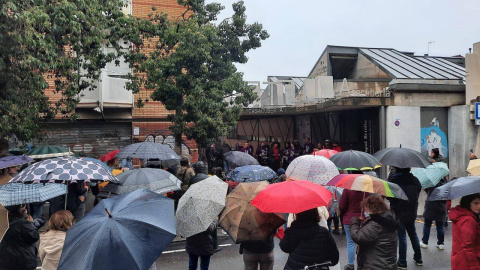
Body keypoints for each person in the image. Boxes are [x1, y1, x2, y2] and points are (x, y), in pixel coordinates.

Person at [350, 195, 399, 270]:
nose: (365, 211)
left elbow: (357, 237)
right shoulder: (387, 218)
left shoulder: (376, 225)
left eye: (366, 209)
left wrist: (355, 221)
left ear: (373, 208)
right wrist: (366, 222)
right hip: (387, 263)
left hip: (376, 265)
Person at [387, 167, 423, 269]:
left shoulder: (394, 180)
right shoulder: (415, 180)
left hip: (398, 212)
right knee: (413, 234)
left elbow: (389, 196)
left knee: (402, 237)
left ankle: (402, 261)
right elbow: (418, 192)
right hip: (411, 211)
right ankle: (418, 258)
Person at [0, 205, 39, 270]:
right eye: (23, 210)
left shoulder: (3, 222)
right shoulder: (23, 224)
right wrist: (31, 224)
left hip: (5, 260)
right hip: (23, 259)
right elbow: (34, 236)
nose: (26, 211)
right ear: (18, 211)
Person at [449, 193, 480, 270]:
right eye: (476, 203)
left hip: (458, 258)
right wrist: (475, 266)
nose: (479, 206)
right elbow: (468, 246)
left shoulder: (460, 215)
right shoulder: (469, 220)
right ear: (468, 203)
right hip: (467, 262)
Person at [339, 189, 368, 270]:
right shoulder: (366, 190)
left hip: (349, 219)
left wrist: (342, 213)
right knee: (362, 242)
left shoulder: (347, 190)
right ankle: (363, 263)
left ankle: (351, 265)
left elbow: (342, 206)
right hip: (363, 219)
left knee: (350, 242)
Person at [420, 178, 448, 250]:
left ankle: (425, 242)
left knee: (427, 225)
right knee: (440, 226)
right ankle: (440, 243)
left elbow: (426, 189)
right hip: (441, 206)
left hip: (431, 206)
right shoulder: (445, 183)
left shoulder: (432, 182)